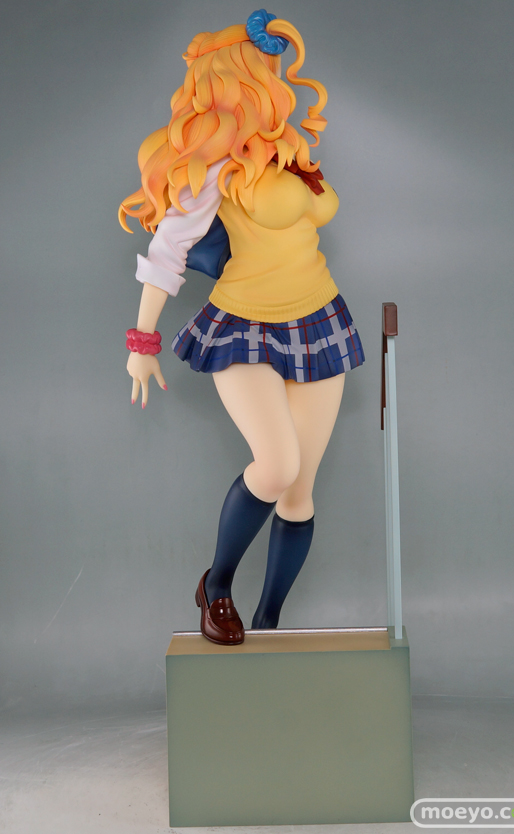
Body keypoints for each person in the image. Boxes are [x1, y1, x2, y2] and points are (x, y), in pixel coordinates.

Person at [120, 10, 365, 645]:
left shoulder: (288, 152)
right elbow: (166, 253)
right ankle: (218, 585)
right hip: (245, 327)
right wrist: (142, 343)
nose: (275, 82)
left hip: (319, 318)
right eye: (264, 72)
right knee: (276, 465)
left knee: (299, 493)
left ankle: (269, 626)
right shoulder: (212, 171)